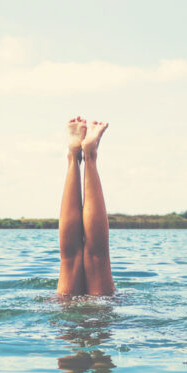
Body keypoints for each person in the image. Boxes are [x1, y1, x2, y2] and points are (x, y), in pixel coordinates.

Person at [57, 116, 115, 296]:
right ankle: (89, 156)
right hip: (100, 311)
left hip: (66, 313)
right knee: (96, 258)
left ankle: (74, 156)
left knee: (71, 259)